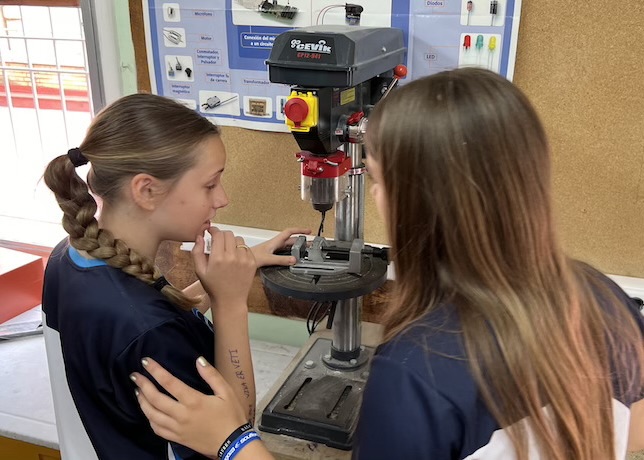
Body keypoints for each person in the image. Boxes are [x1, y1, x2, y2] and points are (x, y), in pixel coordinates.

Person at [130, 68, 644, 460]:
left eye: (374, 179)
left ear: (416, 197)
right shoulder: (605, 298)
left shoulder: (417, 371)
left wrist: (232, 443)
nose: (373, 195)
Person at [41, 92, 309, 460]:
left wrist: (243, 266)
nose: (223, 199)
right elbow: (233, 430)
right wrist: (230, 304)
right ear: (147, 190)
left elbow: (149, 311)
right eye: (210, 184)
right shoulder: (152, 334)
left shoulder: (68, 256)